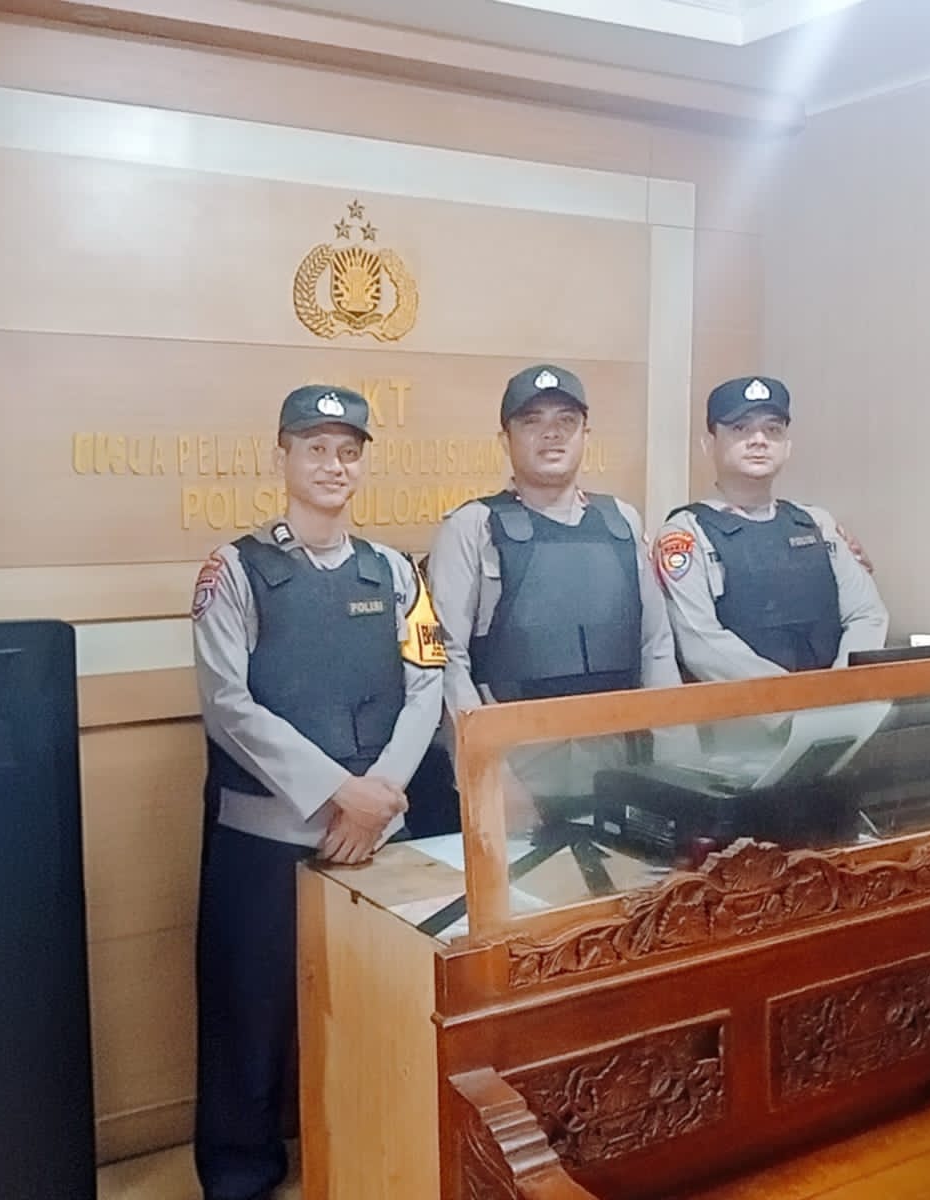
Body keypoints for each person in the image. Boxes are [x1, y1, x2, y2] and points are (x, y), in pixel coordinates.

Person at [190, 383, 444, 1200]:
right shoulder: (235, 569)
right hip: (266, 841)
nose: (333, 465)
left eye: (348, 451)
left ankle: (367, 1168)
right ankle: (241, 1178)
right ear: (283, 457)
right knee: (249, 1022)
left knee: (374, 1019)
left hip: (375, 844)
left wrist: (381, 793)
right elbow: (228, 705)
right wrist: (340, 792)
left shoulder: (396, 572)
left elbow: (427, 687)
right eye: (316, 448)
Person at [427, 364, 682, 816]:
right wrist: (488, 776)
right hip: (520, 778)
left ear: (586, 435)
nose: (552, 434)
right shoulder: (473, 527)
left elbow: (655, 647)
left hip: (624, 771)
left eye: (567, 421)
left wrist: (677, 760)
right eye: (532, 421)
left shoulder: (621, 521)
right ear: (505, 439)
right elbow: (448, 661)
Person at [656, 375, 888, 681]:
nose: (759, 440)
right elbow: (701, 643)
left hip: (836, 704)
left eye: (773, 429)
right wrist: (790, 699)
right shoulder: (687, 533)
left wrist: (838, 690)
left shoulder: (818, 524)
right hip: (739, 709)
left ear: (787, 447)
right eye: (740, 428)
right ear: (709, 445)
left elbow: (867, 615)